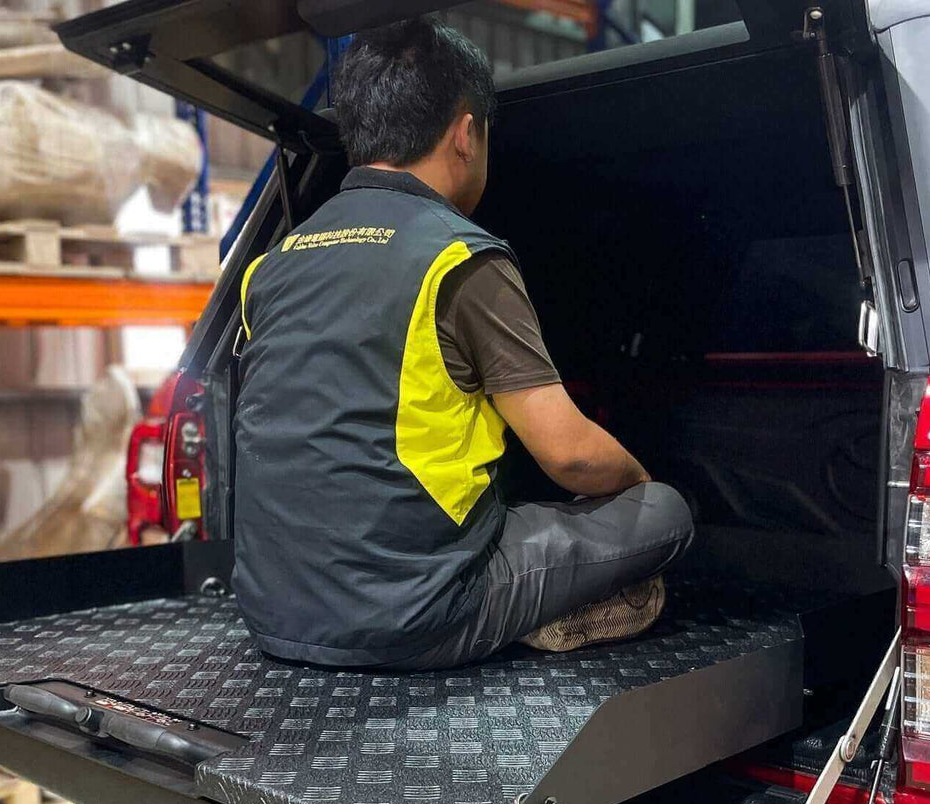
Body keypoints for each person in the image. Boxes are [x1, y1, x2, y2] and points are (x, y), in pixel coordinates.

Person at [232, 16, 693, 669]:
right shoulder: (458, 257)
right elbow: (571, 456)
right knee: (667, 514)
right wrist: (637, 489)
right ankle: (536, 614)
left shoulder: (273, 264)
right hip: (417, 617)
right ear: (466, 132)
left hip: (274, 615)